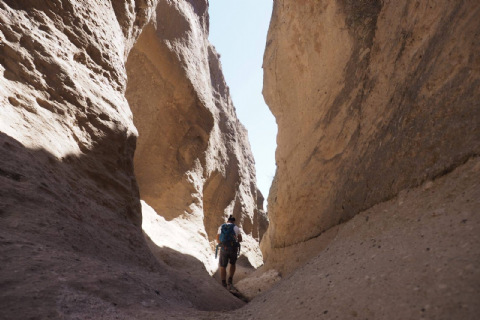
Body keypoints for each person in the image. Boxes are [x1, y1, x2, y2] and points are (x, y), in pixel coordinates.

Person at [216, 215, 242, 289]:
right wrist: (235, 241)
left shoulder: (221, 227)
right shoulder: (236, 228)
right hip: (233, 249)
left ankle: (223, 282)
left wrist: (222, 244)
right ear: (233, 221)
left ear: (227, 221)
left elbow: (217, 238)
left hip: (224, 248)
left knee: (222, 266)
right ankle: (230, 280)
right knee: (232, 263)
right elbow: (240, 239)